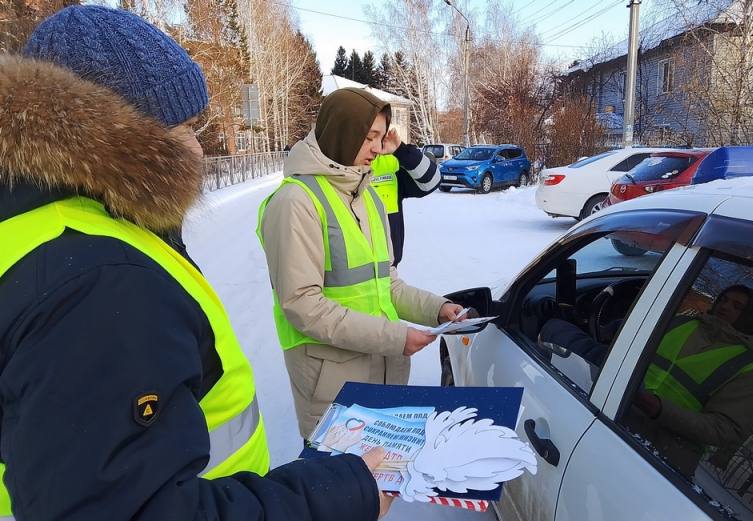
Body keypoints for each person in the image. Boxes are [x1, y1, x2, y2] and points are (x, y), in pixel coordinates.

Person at [0, 6, 388, 520]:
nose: (198, 149)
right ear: (124, 139)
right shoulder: (99, 282)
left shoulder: (45, 230)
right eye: (185, 128)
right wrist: (333, 496)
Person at [257, 87, 464, 440]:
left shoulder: (368, 199)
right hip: (334, 384)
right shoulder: (295, 202)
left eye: (382, 138)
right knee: (342, 491)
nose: (377, 148)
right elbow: (303, 306)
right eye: (369, 137)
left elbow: (389, 283)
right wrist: (396, 337)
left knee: (383, 484)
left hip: (385, 372)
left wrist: (438, 309)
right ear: (342, 133)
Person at [540, 284, 753, 476]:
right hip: (611, 413)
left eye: (737, 306)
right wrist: (614, 329)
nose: (726, 307)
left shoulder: (750, 370)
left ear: (751, 318)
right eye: (724, 300)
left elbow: (724, 430)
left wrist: (658, 409)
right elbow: (631, 342)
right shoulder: (681, 322)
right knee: (557, 329)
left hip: (657, 455)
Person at [369, 129, 441, 266]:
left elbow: (432, 180)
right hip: (347, 282)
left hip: (389, 272)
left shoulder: (389, 162)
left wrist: (401, 150)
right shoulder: (332, 166)